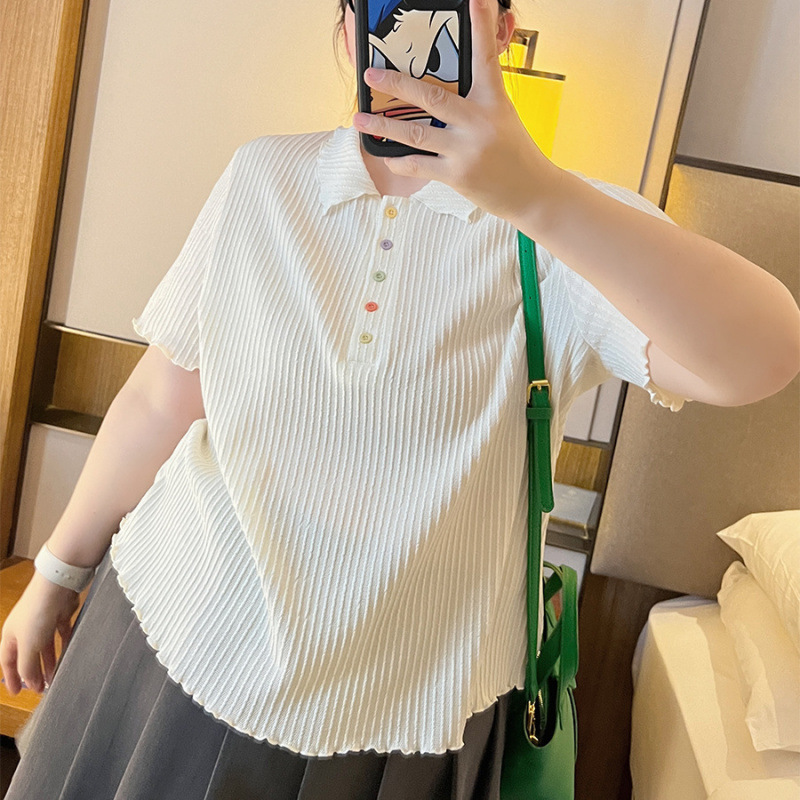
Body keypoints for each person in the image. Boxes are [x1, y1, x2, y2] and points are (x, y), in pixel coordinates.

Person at [3, 0, 798, 797]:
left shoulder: (565, 232)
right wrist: (59, 572)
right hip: (171, 640)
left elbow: (763, 359)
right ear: (350, 30)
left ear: (500, 31)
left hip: (404, 722)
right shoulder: (262, 177)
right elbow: (162, 398)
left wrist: (538, 197)